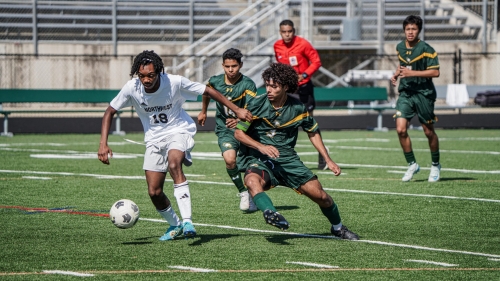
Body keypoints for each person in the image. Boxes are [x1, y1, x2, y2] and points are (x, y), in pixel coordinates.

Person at [98, 50, 252, 241]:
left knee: (174, 165)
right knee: (154, 191)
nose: (146, 80)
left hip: (179, 131)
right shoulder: (132, 87)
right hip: (154, 139)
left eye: (151, 75)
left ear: (159, 72)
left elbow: (208, 90)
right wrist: (103, 144)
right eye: (142, 76)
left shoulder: (174, 82)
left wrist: (236, 110)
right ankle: (175, 225)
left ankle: (187, 221)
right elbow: (110, 111)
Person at [234, 63, 359, 240]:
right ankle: (270, 212)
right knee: (251, 181)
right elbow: (239, 133)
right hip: (261, 159)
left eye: (274, 86)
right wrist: (261, 147)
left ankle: (338, 228)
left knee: (322, 197)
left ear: (285, 87)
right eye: (267, 85)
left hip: (288, 161)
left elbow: (312, 131)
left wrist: (328, 160)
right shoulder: (255, 104)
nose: (268, 90)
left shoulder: (298, 108)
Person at [197, 48, 258, 212]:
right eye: (227, 66)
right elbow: (206, 93)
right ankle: (243, 192)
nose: (231, 70)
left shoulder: (248, 84)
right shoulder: (215, 81)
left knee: (250, 166)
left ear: (241, 65)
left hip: (245, 130)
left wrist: (239, 120)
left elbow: (253, 109)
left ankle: (254, 194)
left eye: (235, 66)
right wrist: (203, 111)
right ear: (223, 65)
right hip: (224, 129)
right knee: (230, 160)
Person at [390, 15, 441, 182]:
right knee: (400, 129)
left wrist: (412, 73)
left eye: (414, 29)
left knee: (428, 131)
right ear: (404, 30)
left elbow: (435, 72)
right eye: (408, 29)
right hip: (406, 93)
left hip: (423, 94)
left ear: (419, 30)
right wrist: (396, 74)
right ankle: (412, 164)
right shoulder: (399, 47)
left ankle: (435, 164)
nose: (410, 32)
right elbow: (403, 65)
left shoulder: (427, 49)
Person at [273, 19, 326, 170]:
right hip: (288, 89)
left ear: (293, 31)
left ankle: (322, 155)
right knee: (285, 120)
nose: (287, 34)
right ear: (280, 32)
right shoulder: (277, 46)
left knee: (308, 122)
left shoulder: (303, 44)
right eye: (284, 32)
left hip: (304, 87)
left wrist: (303, 75)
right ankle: (284, 157)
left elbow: (316, 62)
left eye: (289, 31)